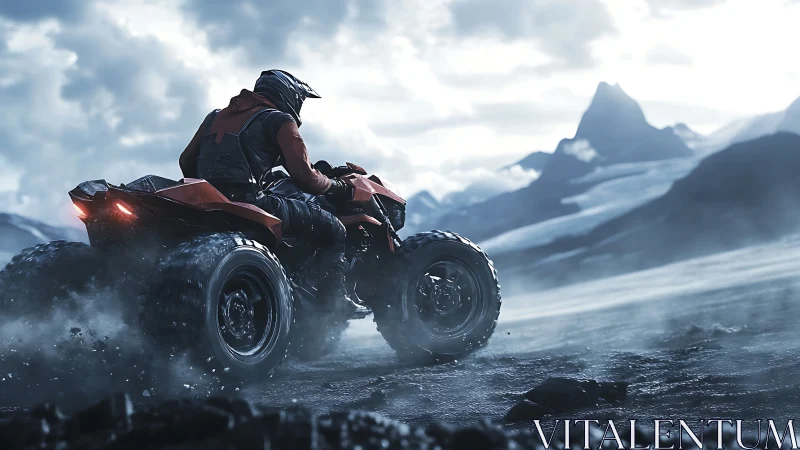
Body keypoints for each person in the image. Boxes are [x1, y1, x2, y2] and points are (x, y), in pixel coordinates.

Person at [179, 69, 366, 315]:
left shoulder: (215, 116)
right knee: (333, 228)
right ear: (288, 94)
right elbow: (305, 178)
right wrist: (337, 185)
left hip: (207, 199)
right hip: (251, 200)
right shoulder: (279, 120)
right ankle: (333, 302)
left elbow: (186, 162)